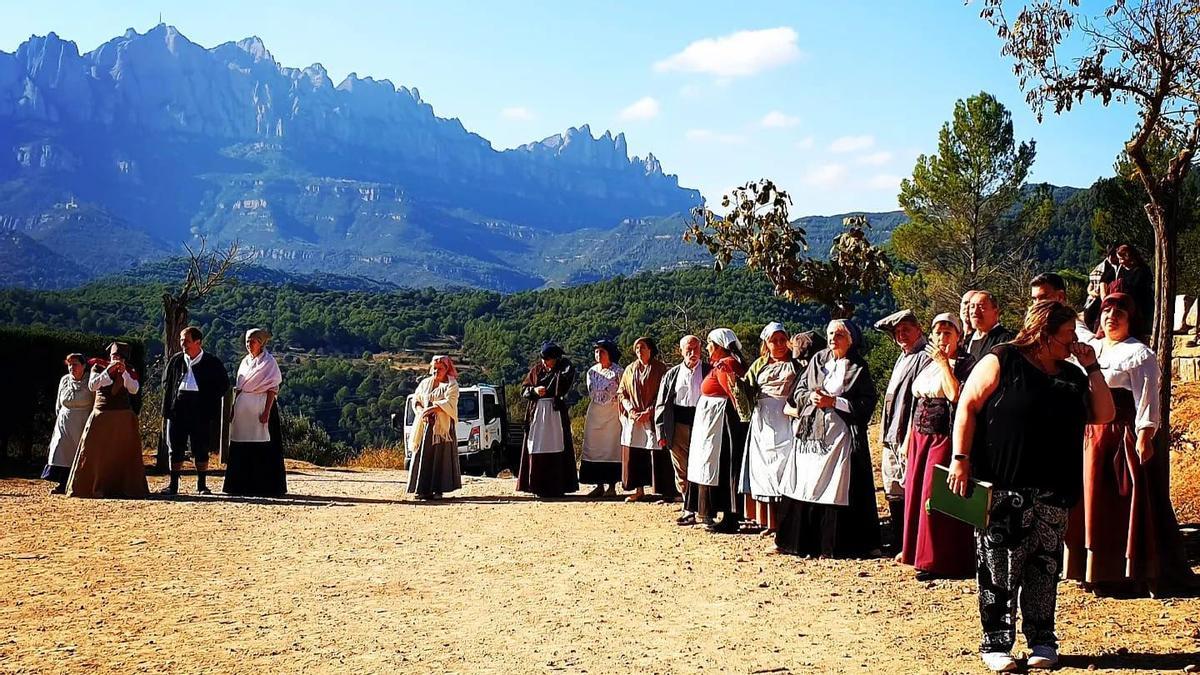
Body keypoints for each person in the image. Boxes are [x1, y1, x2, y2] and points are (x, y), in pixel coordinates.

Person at [949, 300, 1114, 672]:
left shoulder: (1072, 376)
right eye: (1068, 334)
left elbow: (1104, 414)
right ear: (1044, 333)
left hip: (1054, 488)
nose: (1074, 342)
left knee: (1044, 569)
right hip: (1005, 486)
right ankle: (996, 643)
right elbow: (967, 406)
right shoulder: (1002, 360)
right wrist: (960, 459)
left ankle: (1042, 639)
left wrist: (1092, 367)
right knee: (999, 567)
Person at [1063, 293, 1168, 595]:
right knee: (1085, 503)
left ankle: (1119, 573)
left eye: (1120, 311)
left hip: (1119, 436)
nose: (1112, 316)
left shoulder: (1139, 354)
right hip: (1087, 436)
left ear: (1131, 318)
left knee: (1113, 503)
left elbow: (1147, 399)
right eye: (1107, 310)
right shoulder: (1090, 349)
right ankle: (1085, 570)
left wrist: (1145, 436)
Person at [775, 319, 881, 558]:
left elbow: (866, 403)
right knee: (806, 484)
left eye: (840, 334)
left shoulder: (858, 367)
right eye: (831, 334)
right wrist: (811, 397)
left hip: (840, 436)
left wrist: (834, 402)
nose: (833, 338)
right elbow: (798, 392)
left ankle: (834, 545)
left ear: (851, 339)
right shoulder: (817, 360)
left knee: (836, 487)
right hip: (810, 436)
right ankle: (800, 542)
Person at [899, 314, 976, 580]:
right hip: (921, 435)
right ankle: (915, 552)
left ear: (959, 337)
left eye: (948, 333)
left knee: (936, 495)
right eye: (938, 333)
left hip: (944, 435)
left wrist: (945, 364)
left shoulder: (965, 364)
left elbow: (956, 395)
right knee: (917, 492)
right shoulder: (925, 364)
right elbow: (915, 402)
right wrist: (909, 437)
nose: (942, 339)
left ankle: (938, 559)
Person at [874, 309, 931, 553]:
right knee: (893, 489)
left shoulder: (924, 356)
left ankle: (910, 544)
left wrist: (909, 434)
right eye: (897, 332)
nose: (900, 335)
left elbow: (919, 400)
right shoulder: (903, 356)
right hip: (891, 434)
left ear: (919, 329)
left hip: (907, 433)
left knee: (910, 488)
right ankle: (899, 541)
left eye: (906, 330)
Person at [739, 322, 801, 534]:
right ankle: (771, 521)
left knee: (787, 468)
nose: (779, 344)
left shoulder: (797, 364)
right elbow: (746, 390)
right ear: (766, 343)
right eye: (774, 341)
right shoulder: (759, 365)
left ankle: (789, 522)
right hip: (763, 422)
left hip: (787, 420)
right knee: (764, 471)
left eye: (782, 340)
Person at [67, 342, 149, 498]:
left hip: (122, 418)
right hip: (102, 416)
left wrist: (124, 373)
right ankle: (94, 486)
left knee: (122, 453)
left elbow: (134, 389)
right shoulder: (98, 367)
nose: (117, 359)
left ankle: (123, 487)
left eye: (120, 357)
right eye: (114, 356)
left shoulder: (130, 371)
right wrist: (108, 370)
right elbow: (93, 385)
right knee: (97, 454)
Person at [686, 328, 748, 533]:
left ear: (720, 345)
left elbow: (735, 396)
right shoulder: (722, 364)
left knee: (722, 467)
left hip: (721, 425)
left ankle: (730, 516)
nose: (708, 347)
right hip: (713, 422)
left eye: (710, 343)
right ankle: (722, 513)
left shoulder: (726, 365)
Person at [160, 327, 230, 495]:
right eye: (182, 341)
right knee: (175, 447)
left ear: (198, 342)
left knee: (201, 446)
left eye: (186, 341)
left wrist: (208, 399)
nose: (183, 344)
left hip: (200, 410)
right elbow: (166, 383)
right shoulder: (176, 361)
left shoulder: (212, 362)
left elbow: (223, 385)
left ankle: (201, 485)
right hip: (178, 409)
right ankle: (173, 485)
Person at [223, 329, 287, 497]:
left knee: (263, 447)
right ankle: (239, 486)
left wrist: (266, 412)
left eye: (252, 341)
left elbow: (273, 388)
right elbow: (239, 387)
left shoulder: (269, 362)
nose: (248, 345)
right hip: (243, 410)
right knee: (240, 446)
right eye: (246, 341)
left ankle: (265, 487)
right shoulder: (245, 362)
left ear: (261, 343)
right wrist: (233, 408)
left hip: (261, 407)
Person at [655, 335, 711, 525]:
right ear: (681, 351)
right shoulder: (672, 375)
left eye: (695, 348)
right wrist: (661, 432)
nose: (692, 353)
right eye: (688, 349)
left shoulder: (709, 371)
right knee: (681, 468)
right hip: (677, 425)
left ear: (701, 348)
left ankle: (705, 510)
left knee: (704, 467)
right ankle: (688, 509)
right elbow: (661, 405)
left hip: (703, 425)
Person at [516, 342, 579, 498]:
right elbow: (523, 389)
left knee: (557, 445)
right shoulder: (536, 371)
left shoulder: (562, 370)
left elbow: (568, 376)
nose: (545, 362)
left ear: (556, 358)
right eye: (543, 358)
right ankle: (536, 486)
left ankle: (558, 486)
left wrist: (562, 362)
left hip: (555, 411)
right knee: (536, 446)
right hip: (537, 411)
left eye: (548, 358)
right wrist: (534, 390)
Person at [618, 337, 672, 502]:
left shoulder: (660, 369)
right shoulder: (630, 369)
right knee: (635, 453)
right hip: (634, 419)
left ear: (650, 350)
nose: (639, 352)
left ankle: (663, 491)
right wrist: (631, 410)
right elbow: (622, 392)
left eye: (642, 348)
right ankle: (638, 489)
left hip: (653, 417)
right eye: (636, 349)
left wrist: (650, 411)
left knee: (657, 453)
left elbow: (665, 393)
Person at [405, 355, 462, 500]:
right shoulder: (425, 383)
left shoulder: (451, 385)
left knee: (440, 458)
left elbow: (450, 403)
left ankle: (438, 489)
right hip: (425, 426)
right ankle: (421, 489)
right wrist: (420, 412)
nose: (437, 371)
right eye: (435, 368)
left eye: (440, 368)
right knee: (422, 455)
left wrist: (432, 409)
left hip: (442, 428)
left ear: (447, 369)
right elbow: (416, 399)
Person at [42, 353, 94, 494]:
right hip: (64, 421)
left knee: (79, 453)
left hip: (82, 421)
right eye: (69, 364)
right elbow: (59, 403)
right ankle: (62, 483)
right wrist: (61, 417)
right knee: (61, 451)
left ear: (83, 366)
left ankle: (79, 484)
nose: (72, 367)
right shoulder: (64, 380)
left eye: (75, 364)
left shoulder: (90, 380)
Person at [580, 340, 623, 497]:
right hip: (595, 413)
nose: (598, 355)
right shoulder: (591, 372)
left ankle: (612, 486)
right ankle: (598, 485)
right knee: (594, 448)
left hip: (612, 414)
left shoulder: (619, 371)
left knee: (611, 448)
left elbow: (622, 391)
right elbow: (592, 391)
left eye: (602, 351)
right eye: (596, 352)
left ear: (609, 353)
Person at [1113, 244, 1154, 339]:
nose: (1120, 262)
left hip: (1141, 306)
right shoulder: (1122, 270)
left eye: (1121, 259)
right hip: (1127, 306)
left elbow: (1138, 288)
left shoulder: (1142, 270)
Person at [966, 291, 1015, 361]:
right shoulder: (967, 341)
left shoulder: (1005, 341)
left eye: (981, 307)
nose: (975, 311)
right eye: (972, 307)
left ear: (995, 312)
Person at [1083, 246, 1119, 330]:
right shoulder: (1109, 270)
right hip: (1100, 303)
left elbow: (1089, 287)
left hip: (1091, 302)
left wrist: (1092, 293)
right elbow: (1100, 288)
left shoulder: (1099, 268)